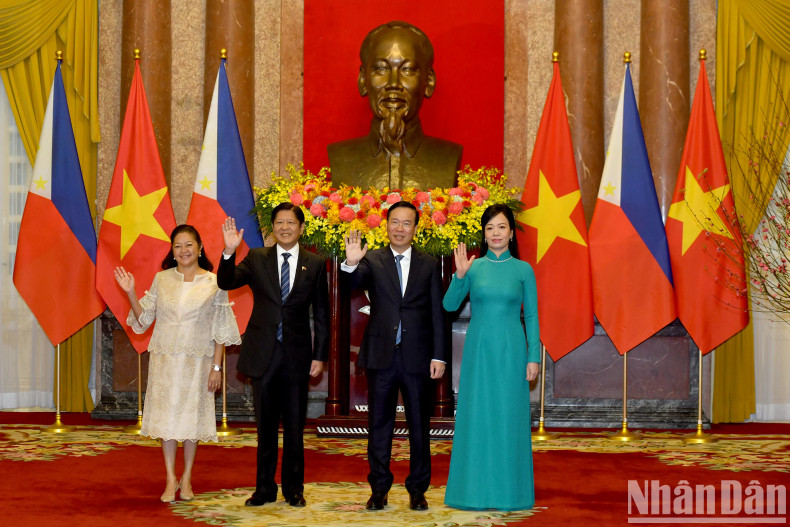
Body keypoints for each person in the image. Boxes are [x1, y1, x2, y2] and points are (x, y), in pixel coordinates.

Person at [114, 224, 241, 503]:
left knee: (191, 420)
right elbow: (144, 319)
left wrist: (217, 368)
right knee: (168, 419)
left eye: (189, 245)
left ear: (199, 248)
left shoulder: (215, 282)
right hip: (166, 361)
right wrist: (131, 293)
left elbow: (220, 330)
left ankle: (187, 476)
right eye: (178, 246)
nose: (183, 250)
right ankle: (171, 478)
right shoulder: (162, 279)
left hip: (199, 363)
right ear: (172, 250)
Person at [218, 203, 329, 508]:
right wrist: (229, 252)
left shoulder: (315, 264)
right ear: (272, 228)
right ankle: (264, 489)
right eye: (279, 222)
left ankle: (294, 489)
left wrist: (320, 354)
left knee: (294, 427)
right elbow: (226, 282)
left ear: (301, 228)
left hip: (297, 356)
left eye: (290, 223)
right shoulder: (256, 258)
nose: (284, 227)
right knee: (266, 427)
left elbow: (321, 314)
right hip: (263, 353)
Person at [342, 200, 446, 511]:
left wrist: (439, 355)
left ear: (416, 228)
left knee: (418, 426)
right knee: (379, 425)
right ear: (386, 225)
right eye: (394, 222)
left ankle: (417, 489)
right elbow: (352, 284)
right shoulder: (371, 259)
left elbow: (437, 313)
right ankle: (379, 489)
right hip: (381, 355)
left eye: (406, 223)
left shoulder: (429, 263)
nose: (399, 228)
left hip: (417, 356)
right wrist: (350, 263)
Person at [442, 203, 540, 510]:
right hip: (479, 352)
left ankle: (510, 493)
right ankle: (471, 492)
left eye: (501, 227)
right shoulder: (475, 268)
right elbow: (448, 305)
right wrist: (459, 276)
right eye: (489, 228)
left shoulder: (524, 270)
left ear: (511, 233)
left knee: (509, 417)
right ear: (483, 235)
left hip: (512, 351)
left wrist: (533, 356)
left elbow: (533, 317)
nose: (495, 233)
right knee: (478, 416)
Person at [328, 20, 462, 190]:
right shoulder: (340, 157)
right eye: (381, 69)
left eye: (408, 69)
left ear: (428, 82)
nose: (393, 83)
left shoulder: (448, 157)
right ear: (363, 80)